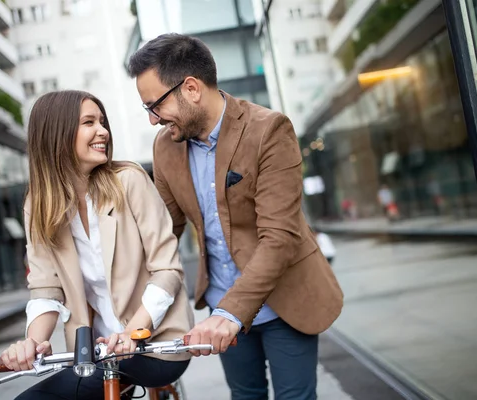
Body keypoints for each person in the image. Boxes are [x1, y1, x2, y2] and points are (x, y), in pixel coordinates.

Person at [128, 33, 344, 400]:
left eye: (155, 105)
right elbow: (163, 231)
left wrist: (229, 314)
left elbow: (280, 237)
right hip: (219, 302)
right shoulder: (166, 146)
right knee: (245, 396)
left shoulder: (269, 130)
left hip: (285, 298)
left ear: (192, 88)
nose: (152, 120)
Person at [0, 90, 194, 399]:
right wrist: (32, 344)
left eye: (101, 121)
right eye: (89, 122)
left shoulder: (129, 181)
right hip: (96, 352)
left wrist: (134, 333)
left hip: (156, 346)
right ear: (57, 134)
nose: (102, 130)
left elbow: (167, 270)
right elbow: (45, 288)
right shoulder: (38, 204)